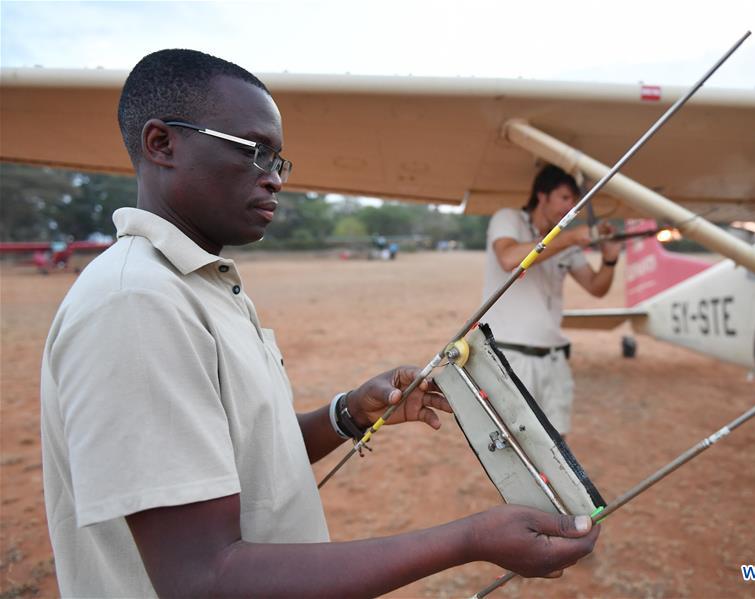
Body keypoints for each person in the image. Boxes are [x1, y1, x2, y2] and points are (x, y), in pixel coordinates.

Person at [39, 49, 600, 597]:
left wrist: (349, 412)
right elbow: (202, 579)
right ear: (161, 143)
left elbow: (243, 460)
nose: (274, 179)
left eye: (277, 160)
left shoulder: (203, 283)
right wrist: (469, 539)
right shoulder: (135, 303)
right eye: (253, 152)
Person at [482, 165, 621, 437]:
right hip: (512, 357)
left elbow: (596, 287)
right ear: (542, 196)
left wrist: (610, 258)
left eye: (575, 201)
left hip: (554, 359)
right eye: (565, 198)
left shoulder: (563, 243)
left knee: (558, 445)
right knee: (514, 447)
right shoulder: (508, 219)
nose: (571, 207)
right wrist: (569, 237)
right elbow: (509, 258)